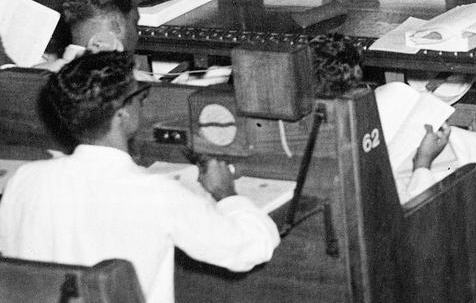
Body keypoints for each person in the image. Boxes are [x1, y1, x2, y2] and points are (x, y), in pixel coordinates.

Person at [0, 51, 280, 303]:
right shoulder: (156, 194)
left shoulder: (23, 180)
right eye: (140, 97)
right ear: (123, 113)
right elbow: (252, 249)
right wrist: (226, 194)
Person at [310, 35, 476, 232]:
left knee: (423, 139)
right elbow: (411, 208)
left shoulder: (299, 128)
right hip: (405, 229)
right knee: (443, 161)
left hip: (372, 187)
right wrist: (422, 162)